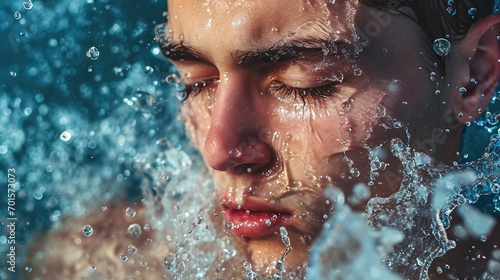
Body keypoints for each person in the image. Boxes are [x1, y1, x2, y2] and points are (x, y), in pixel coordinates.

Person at [27, 0, 500, 279]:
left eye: (304, 83)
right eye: (196, 81)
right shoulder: (97, 263)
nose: (221, 149)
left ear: (472, 77)